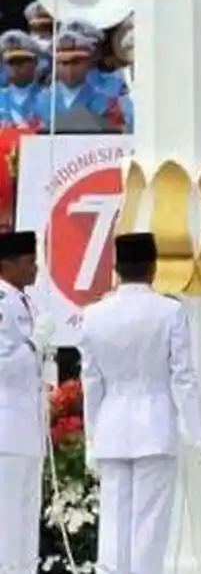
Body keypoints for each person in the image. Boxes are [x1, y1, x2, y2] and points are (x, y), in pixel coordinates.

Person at [79, 233, 201, 574]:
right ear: (153, 267)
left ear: (116, 269)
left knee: (114, 520)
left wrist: (92, 438)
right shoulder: (170, 311)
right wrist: (197, 431)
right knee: (149, 523)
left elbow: (91, 382)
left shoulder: (94, 314)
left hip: (111, 422)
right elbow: (183, 377)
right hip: (155, 422)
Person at [0, 230, 53, 574]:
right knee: (7, 523)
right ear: (6, 265)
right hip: (6, 428)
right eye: (28, 261)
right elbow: (4, 365)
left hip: (28, 426)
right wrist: (35, 345)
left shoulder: (26, 302)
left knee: (25, 521)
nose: (35, 268)